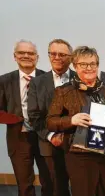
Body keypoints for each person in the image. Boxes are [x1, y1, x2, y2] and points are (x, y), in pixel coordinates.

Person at [46, 46, 105, 196]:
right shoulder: (64, 91)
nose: (89, 68)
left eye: (93, 64)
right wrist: (71, 120)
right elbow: (50, 121)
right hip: (80, 155)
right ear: (75, 66)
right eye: (83, 64)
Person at [0, 40, 49, 196]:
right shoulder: (3, 81)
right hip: (18, 138)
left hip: (45, 137)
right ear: (15, 56)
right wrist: (17, 120)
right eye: (21, 53)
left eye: (31, 53)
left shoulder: (48, 79)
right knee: (24, 184)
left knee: (49, 181)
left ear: (37, 57)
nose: (26, 56)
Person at [28, 39, 75, 196]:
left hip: (77, 145)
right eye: (52, 53)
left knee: (81, 188)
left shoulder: (79, 79)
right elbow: (34, 116)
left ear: (71, 56)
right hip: (49, 145)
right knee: (53, 189)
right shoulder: (37, 83)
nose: (56, 57)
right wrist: (51, 135)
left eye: (61, 54)